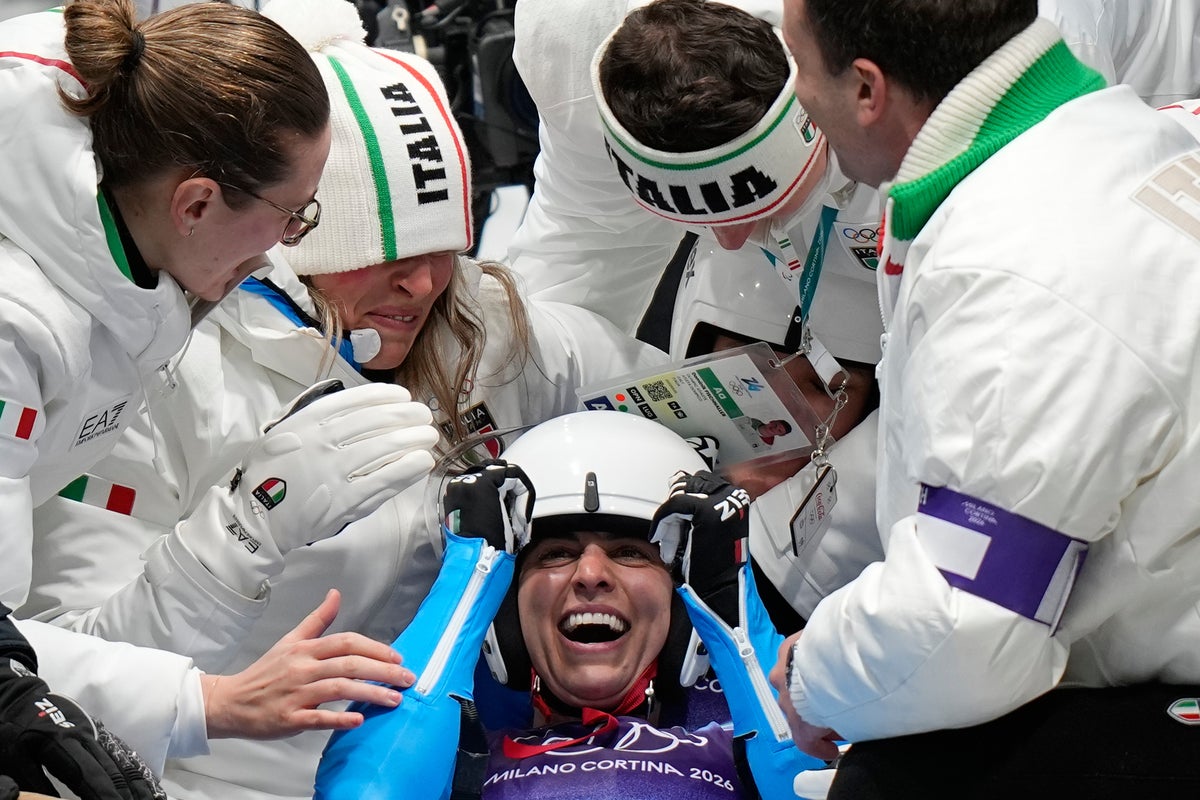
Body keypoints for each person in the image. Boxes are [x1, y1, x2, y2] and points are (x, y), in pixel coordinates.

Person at [22, 1, 667, 798]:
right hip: (210, 780)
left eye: (446, 250)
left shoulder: (480, 324)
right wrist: (240, 532)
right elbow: (52, 677)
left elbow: (690, 407)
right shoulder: (156, 377)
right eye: (387, 256)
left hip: (433, 766)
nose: (424, 285)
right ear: (293, 244)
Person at [0, 0, 442, 794]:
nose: (283, 252)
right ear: (197, 202)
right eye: (289, 217)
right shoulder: (14, 326)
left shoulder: (127, 254)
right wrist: (213, 700)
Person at [767, 0, 1200, 795]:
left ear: (867, 88)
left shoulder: (1016, 268)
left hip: (1163, 701)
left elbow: (963, 629)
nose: (796, 94)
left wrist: (812, 675)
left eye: (798, 65)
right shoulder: (1115, 135)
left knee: (886, 776)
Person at [315, 410, 827, 800]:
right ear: (505, 608)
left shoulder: (747, 715)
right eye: (556, 554)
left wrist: (735, 620)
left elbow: (818, 784)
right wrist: (466, 579)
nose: (590, 575)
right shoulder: (451, 751)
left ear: (684, 597)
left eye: (630, 553)